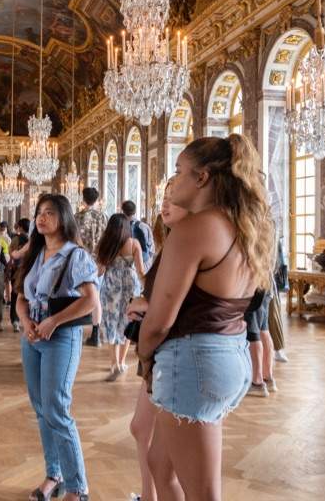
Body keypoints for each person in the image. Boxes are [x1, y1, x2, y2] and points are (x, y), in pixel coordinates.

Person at [138, 134, 274, 500]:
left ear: (202, 178)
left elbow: (160, 320)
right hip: (231, 355)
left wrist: (144, 354)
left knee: (204, 494)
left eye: (179, 171)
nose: (173, 181)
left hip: (194, 362)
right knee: (159, 463)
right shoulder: (244, 227)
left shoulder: (194, 229)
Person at [16, 194, 100, 501]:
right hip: (33, 339)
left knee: (57, 409)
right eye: (39, 212)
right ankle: (54, 474)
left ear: (63, 218)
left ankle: (78, 487)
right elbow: (21, 297)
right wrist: (26, 322)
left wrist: (54, 321)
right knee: (41, 410)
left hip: (60, 338)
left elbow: (90, 301)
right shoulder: (35, 255)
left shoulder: (74, 255)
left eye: (49, 213)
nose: (41, 218)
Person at [126, 182, 190, 501]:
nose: (164, 205)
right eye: (163, 198)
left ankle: (151, 494)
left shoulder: (187, 246)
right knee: (140, 428)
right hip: (155, 352)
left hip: (168, 351)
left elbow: (183, 303)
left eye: (172, 199)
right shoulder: (170, 245)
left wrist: (147, 306)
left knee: (167, 459)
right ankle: (147, 494)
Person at [95, 214, 145, 381]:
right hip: (130, 287)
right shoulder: (134, 244)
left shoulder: (105, 245)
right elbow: (141, 272)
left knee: (111, 322)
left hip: (111, 287)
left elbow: (99, 271)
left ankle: (114, 362)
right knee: (127, 321)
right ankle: (122, 362)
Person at [74, 187, 108, 347]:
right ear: (97, 199)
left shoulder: (77, 217)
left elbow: (71, 240)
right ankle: (96, 334)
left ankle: (76, 331)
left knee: (77, 296)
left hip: (80, 261)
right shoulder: (103, 217)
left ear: (83, 198)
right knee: (97, 297)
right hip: (99, 263)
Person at [7, 218, 31, 332]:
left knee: (15, 295)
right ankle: (28, 319)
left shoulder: (15, 239)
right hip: (29, 271)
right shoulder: (32, 239)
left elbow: (10, 253)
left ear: (20, 227)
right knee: (28, 296)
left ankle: (15, 321)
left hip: (17, 271)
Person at [122, 200, 154, 269]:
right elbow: (151, 249)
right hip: (144, 263)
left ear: (123, 211)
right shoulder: (144, 226)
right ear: (135, 211)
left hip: (128, 265)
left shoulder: (120, 227)